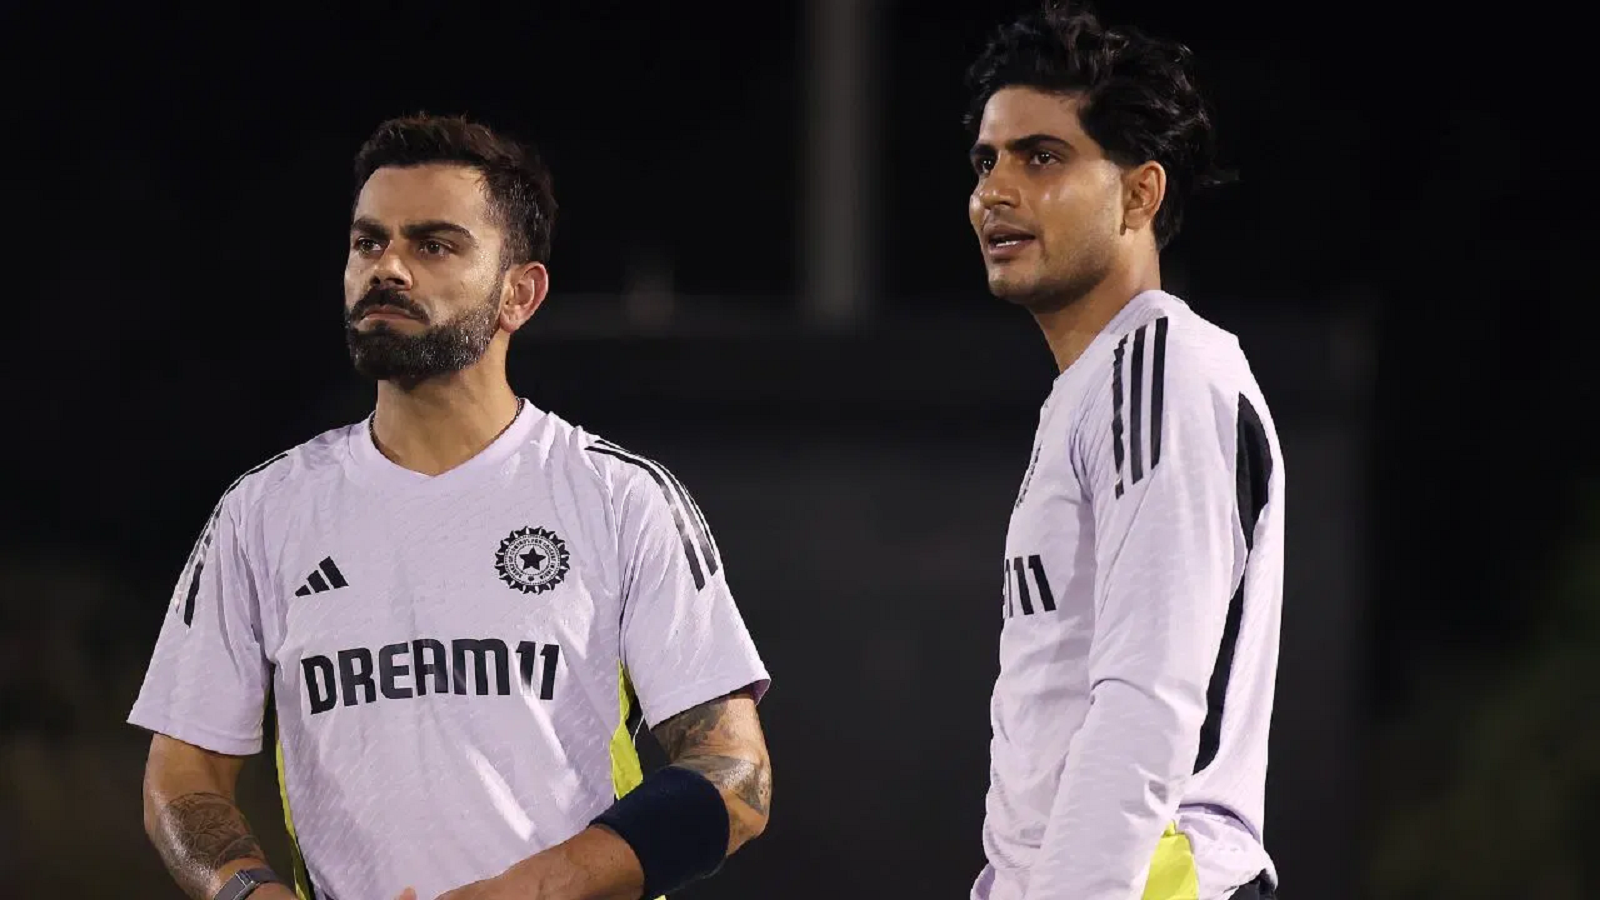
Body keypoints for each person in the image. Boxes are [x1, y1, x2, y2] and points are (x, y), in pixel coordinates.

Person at [128, 113, 773, 900]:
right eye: (369, 242)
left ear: (519, 294)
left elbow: (734, 775)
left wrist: (527, 892)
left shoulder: (619, 499)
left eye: (433, 245)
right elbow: (183, 772)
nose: (388, 268)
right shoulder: (264, 512)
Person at [963, 4, 1282, 899]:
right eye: (986, 161)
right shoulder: (1098, 386)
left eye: (1041, 157)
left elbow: (1148, 698)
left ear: (1139, 195)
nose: (995, 191)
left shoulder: (1160, 367)